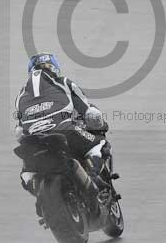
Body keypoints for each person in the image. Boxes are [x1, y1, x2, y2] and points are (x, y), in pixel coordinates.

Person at [13, 52, 111, 204]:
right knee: (100, 144)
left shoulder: (20, 96)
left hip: (33, 142)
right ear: (54, 67)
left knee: (26, 174)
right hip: (65, 132)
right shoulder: (64, 83)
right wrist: (101, 125)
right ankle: (93, 179)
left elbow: (19, 132)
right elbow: (89, 112)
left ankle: (41, 198)